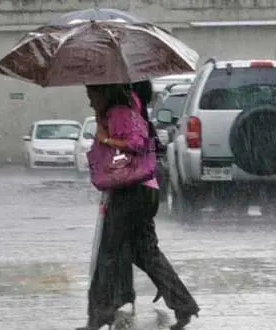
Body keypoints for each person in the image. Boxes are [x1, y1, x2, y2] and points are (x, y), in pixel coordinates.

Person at [79, 84, 199, 330]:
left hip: (131, 192)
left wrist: (106, 138)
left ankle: (100, 314)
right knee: (146, 253)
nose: (90, 102)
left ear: (104, 93)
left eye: (92, 96)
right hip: (144, 191)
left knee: (109, 254)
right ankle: (183, 304)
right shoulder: (121, 110)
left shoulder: (120, 112)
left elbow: (137, 142)